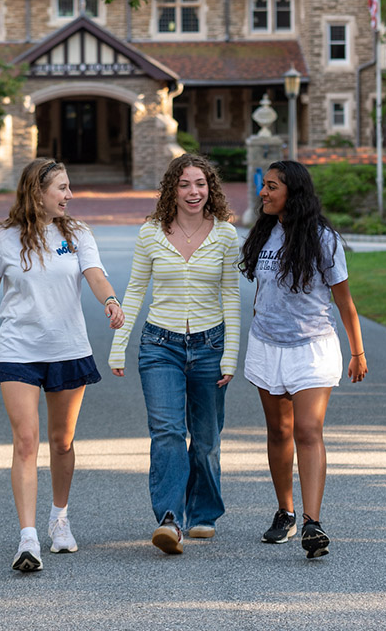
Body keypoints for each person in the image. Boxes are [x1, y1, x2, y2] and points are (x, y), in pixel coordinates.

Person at [0, 157, 124, 573]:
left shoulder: (78, 233)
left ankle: (58, 519)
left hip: (68, 348)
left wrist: (110, 300)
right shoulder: (3, 238)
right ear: (37, 191)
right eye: (61, 188)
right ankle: (28, 539)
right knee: (26, 441)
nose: (69, 195)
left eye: (68, 187)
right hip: (18, 350)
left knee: (61, 441)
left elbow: (95, 275)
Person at [109, 154, 240, 555]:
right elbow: (134, 290)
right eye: (184, 184)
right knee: (166, 432)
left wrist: (230, 353)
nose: (193, 192)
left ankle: (202, 512)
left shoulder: (225, 236)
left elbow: (231, 296)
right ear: (172, 189)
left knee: (205, 438)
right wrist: (119, 344)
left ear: (210, 188)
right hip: (159, 346)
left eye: (200, 184)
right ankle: (170, 519)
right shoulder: (150, 233)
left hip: (210, 345)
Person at [239, 159, 368, 559]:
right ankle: (286, 512)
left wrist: (357, 351)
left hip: (312, 347)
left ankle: (313, 522)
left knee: (308, 430)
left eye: (272, 186)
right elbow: (262, 293)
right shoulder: (263, 234)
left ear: (292, 192)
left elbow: (344, 302)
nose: (264, 192)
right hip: (266, 346)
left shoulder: (323, 239)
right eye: (264, 186)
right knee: (278, 432)